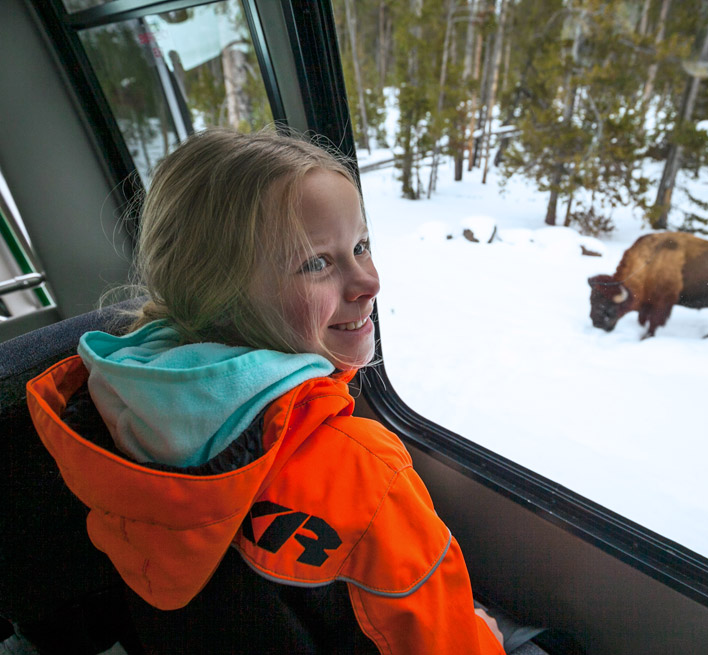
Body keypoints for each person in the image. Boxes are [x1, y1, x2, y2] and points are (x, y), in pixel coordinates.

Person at [25, 128, 508, 654]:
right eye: (317, 263)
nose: (369, 282)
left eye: (361, 246)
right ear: (220, 294)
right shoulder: (363, 473)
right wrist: (484, 631)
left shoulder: (110, 405)